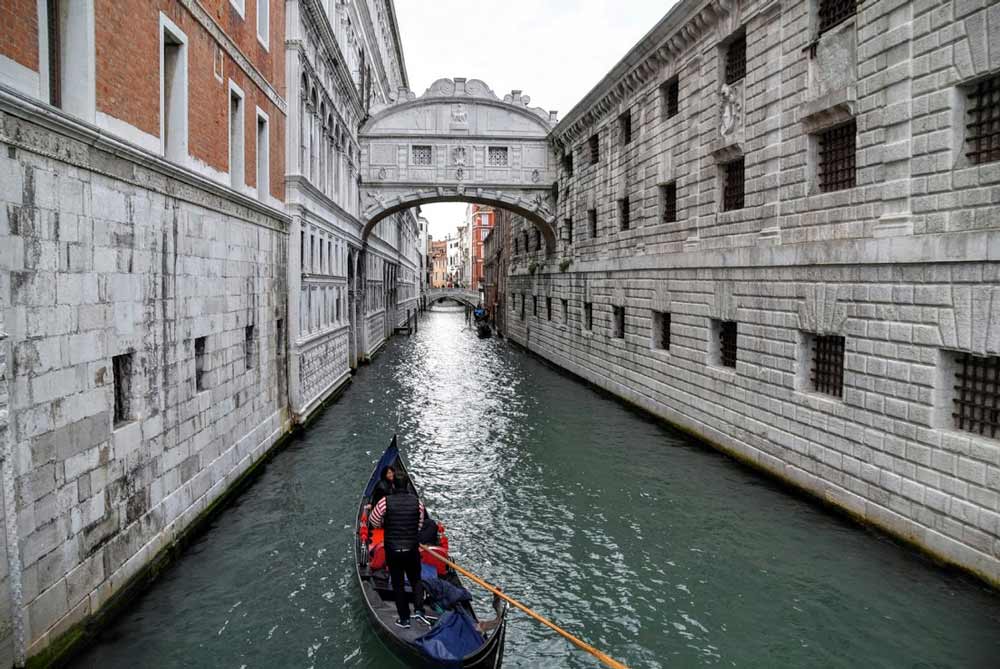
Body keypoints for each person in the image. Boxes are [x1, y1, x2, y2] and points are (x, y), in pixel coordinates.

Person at [369, 473, 427, 628]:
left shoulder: (384, 502)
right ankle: (420, 611)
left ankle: (404, 619)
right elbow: (419, 525)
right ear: (408, 486)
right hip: (411, 549)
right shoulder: (418, 503)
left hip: (393, 550)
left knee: (398, 584)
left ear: (393, 485)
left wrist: (386, 522)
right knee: (416, 580)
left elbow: (373, 521)